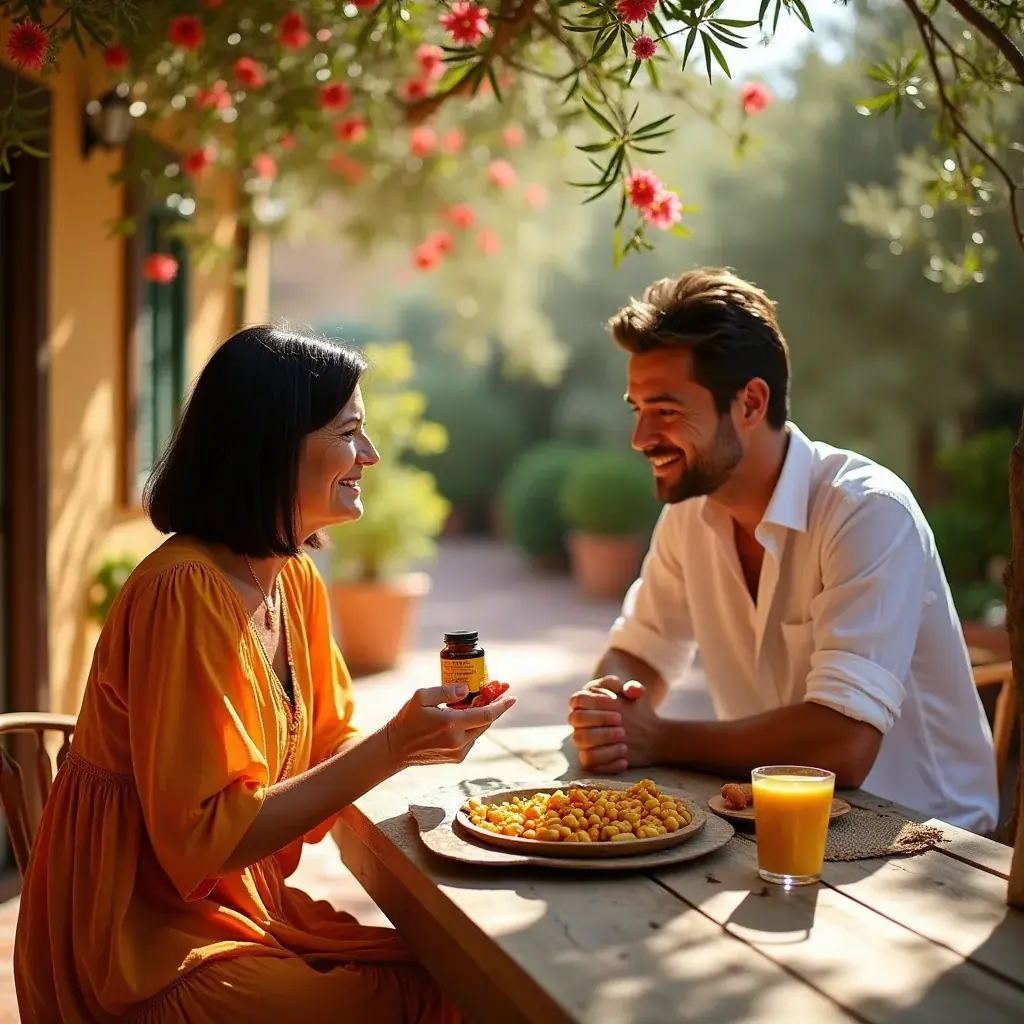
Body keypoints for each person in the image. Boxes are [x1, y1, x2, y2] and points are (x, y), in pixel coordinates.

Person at [15, 326, 514, 1023]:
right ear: (273, 445)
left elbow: (333, 744)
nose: (368, 455)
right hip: (137, 943)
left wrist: (428, 740)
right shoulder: (183, 591)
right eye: (349, 433)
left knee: (460, 968)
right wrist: (395, 744)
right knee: (441, 993)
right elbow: (206, 844)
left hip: (241, 908)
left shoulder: (295, 580)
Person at [566, 267, 999, 834]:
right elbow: (640, 655)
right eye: (637, 409)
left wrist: (657, 736)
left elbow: (842, 744)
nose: (640, 437)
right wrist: (610, 705)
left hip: (928, 844)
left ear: (749, 403)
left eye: (666, 411)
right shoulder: (688, 517)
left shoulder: (866, 510)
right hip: (774, 825)